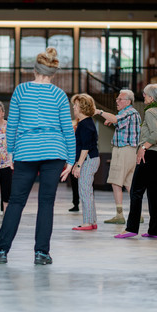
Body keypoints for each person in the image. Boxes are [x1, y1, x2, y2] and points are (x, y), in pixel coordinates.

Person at [0, 47, 75, 265]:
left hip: (26, 151)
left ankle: (0, 250)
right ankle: (42, 253)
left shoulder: (21, 90)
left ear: (34, 70)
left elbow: (12, 125)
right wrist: (71, 160)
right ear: (53, 73)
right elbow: (67, 129)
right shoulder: (59, 95)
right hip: (54, 151)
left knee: (16, 201)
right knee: (46, 203)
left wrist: (11, 152)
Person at [115, 83, 157, 239]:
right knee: (154, 194)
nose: (143, 96)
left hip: (149, 154)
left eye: (145, 94)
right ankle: (154, 230)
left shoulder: (150, 112)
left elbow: (156, 134)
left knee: (136, 191)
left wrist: (143, 147)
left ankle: (131, 228)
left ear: (151, 97)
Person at [94, 89, 141, 225]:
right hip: (131, 151)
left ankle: (119, 215)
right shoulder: (132, 113)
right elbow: (117, 120)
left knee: (116, 182)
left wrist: (99, 112)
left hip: (123, 150)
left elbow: (116, 119)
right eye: (117, 99)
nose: (117, 101)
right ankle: (137, 214)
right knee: (129, 183)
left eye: (120, 99)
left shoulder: (129, 112)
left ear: (128, 101)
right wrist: (111, 121)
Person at [71, 94, 100, 230]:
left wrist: (78, 165)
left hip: (88, 159)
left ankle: (88, 223)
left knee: (84, 191)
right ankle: (92, 221)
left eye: (76, 105)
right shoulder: (85, 122)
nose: (73, 108)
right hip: (89, 159)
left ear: (82, 108)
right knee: (87, 191)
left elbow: (85, 147)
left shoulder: (85, 124)